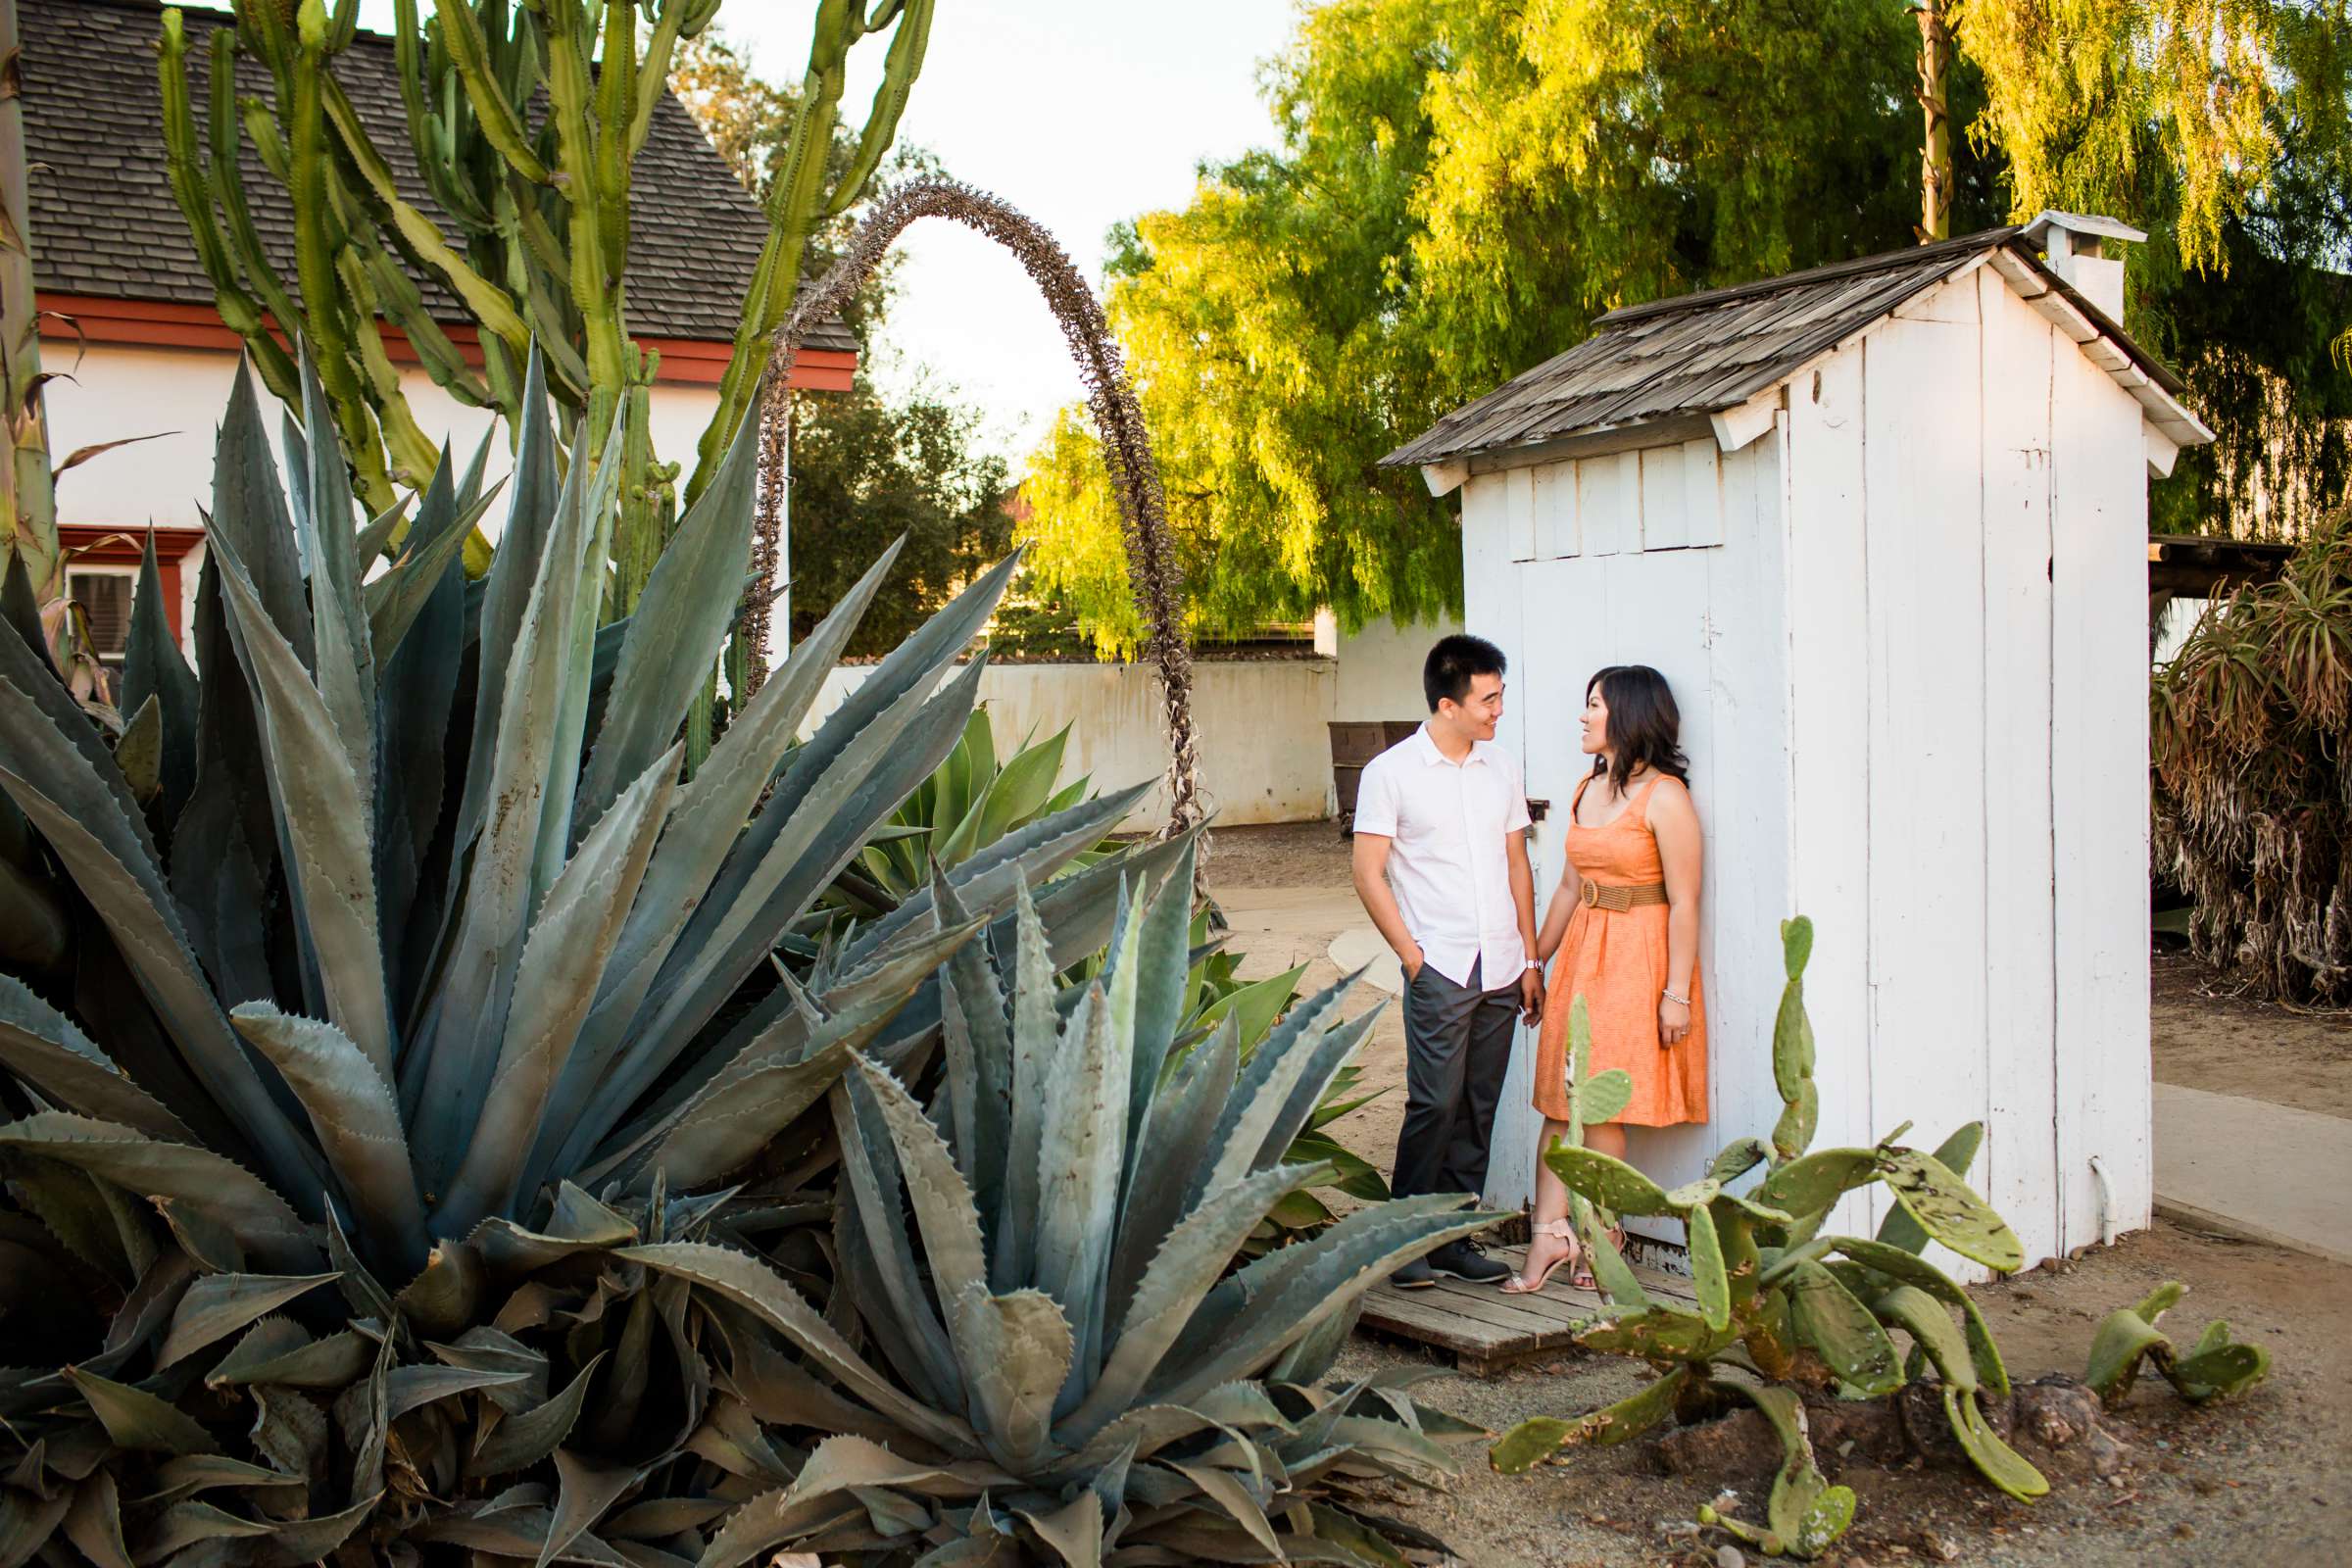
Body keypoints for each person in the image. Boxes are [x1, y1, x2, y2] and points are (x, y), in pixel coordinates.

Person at [1504, 664, 1708, 1295]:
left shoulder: (1666, 797)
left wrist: (1676, 994)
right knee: (1559, 1097)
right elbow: (1569, 885)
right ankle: (1548, 1234)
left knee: (1603, 1102)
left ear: (1627, 713)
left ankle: (1601, 1234)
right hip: (1584, 956)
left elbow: (1685, 902)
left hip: (1637, 959)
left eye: (1594, 704)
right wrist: (1534, 962)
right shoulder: (1586, 787)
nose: (1584, 715)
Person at [1350, 634, 1542, 1288]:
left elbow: (1518, 864)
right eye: (1489, 699)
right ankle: (1403, 1244)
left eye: (1500, 696)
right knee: (1434, 1102)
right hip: (1440, 968)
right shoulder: (1390, 773)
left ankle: (1454, 1239)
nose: (1498, 711)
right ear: (1448, 704)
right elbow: (1368, 873)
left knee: (1478, 1107)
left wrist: (1531, 958)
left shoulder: (1502, 769)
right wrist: (1411, 958)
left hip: (1504, 966)